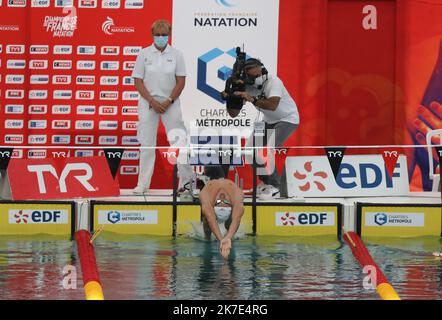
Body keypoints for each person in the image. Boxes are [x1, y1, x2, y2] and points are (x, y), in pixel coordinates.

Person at [131, 19, 194, 194]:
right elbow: (138, 80)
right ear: (152, 35)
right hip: (148, 102)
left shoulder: (177, 54)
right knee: (147, 143)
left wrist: (168, 101)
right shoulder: (144, 54)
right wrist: (151, 101)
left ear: (169, 34)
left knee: (179, 141)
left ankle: (187, 183)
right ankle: (143, 184)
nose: (160, 38)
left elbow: (181, 81)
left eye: (164, 35)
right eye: (157, 35)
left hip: (170, 102)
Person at [225, 58, 300, 199]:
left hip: (286, 119)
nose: (255, 80)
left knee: (265, 151)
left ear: (262, 70)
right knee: (249, 152)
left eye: (256, 76)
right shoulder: (247, 85)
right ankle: (268, 183)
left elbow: (273, 105)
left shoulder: (274, 82)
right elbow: (233, 114)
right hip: (267, 120)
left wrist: (252, 99)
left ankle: (276, 187)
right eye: (251, 77)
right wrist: (230, 95)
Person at [199, 179, 244, 259]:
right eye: (220, 202)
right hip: (210, 207)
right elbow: (210, 218)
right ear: (213, 208)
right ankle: (207, 238)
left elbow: (236, 219)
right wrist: (221, 239)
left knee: (230, 224)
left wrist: (227, 238)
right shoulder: (207, 198)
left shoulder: (236, 199)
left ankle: (230, 237)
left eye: (222, 202)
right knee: (206, 217)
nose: (222, 197)